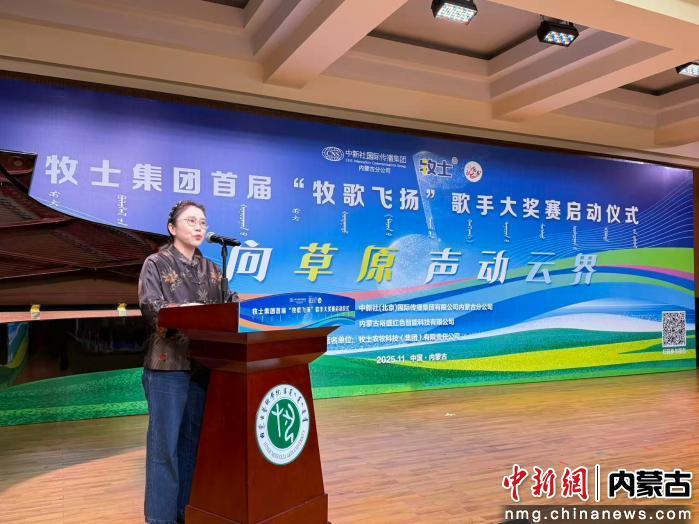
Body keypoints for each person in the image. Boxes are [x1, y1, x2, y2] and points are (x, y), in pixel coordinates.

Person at [138, 200, 236, 524]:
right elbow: (151, 307)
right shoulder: (156, 263)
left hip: (202, 367)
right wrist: (188, 311)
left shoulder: (213, 269)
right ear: (172, 228)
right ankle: (160, 518)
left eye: (203, 222)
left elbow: (230, 306)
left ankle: (185, 512)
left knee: (191, 445)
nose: (199, 227)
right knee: (164, 448)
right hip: (168, 366)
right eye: (191, 221)